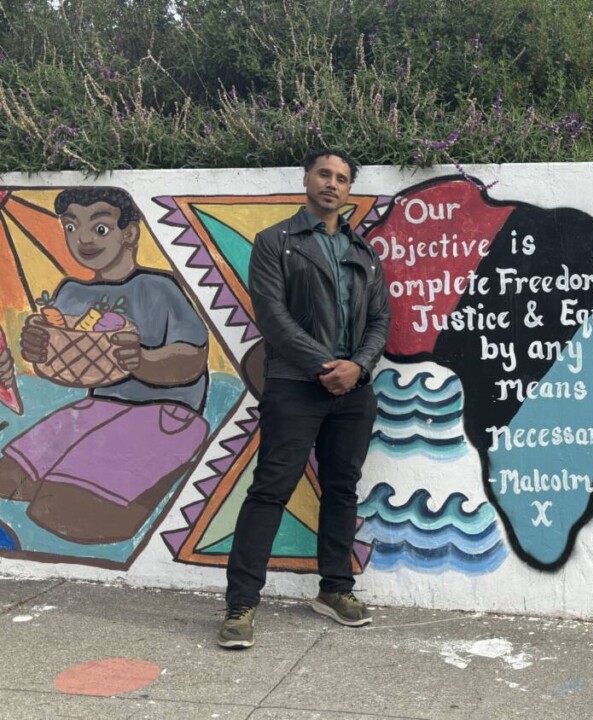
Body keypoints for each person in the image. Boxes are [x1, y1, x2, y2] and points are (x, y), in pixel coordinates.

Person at [219, 149, 390, 649]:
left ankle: (335, 590)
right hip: (296, 385)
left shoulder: (363, 251)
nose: (332, 183)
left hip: (354, 390)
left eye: (341, 178)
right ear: (307, 179)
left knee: (342, 489)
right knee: (270, 490)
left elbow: (381, 319)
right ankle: (241, 603)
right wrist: (326, 367)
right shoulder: (276, 242)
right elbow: (272, 318)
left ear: (349, 190)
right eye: (324, 174)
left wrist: (357, 367)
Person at [0, 187, 209, 544]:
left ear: (130, 233)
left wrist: (144, 360)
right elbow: (63, 364)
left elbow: (193, 356)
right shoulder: (70, 293)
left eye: (99, 228)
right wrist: (38, 348)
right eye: (70, 228)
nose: (82, 239)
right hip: (97, 407)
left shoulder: (158, 288)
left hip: (165, 413)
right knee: (9, 478)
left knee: (67, 509)